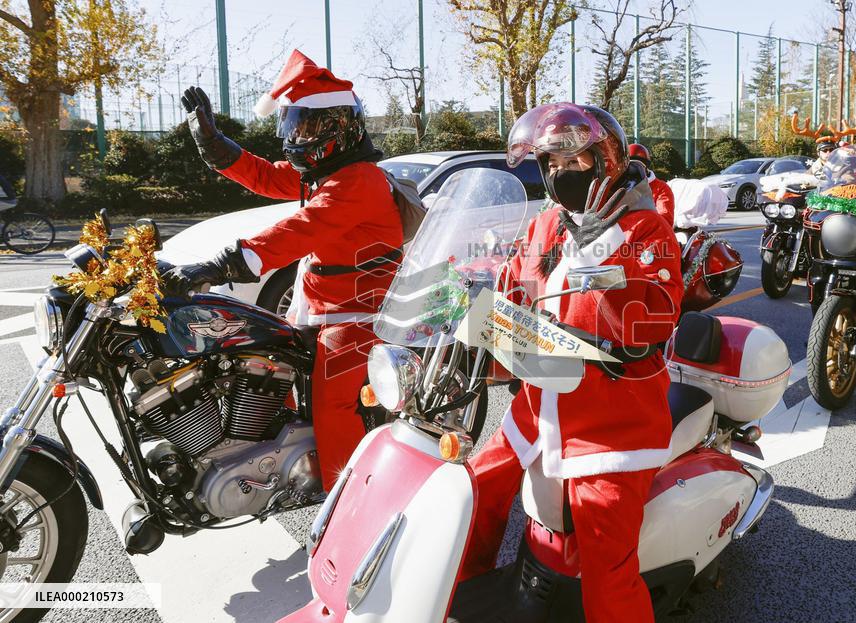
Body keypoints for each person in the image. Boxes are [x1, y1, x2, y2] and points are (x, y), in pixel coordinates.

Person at [459, 103, 683, 622]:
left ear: (603, 160)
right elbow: (515, 287)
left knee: (607, 564)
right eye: (550, 165)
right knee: (471, 490)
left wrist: (594, 268)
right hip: (538, 408)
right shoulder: (546, 225)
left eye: (571, 163)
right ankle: (463, 589)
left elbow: (655, 316)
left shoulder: (645, 229)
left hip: (611, 424)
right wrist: (467, 296)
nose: (559, 175)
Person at [161, 50, 404, 489]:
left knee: (331, 403)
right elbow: (269, 177)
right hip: (319, 303)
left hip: (360, 309)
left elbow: (298, 230)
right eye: (292, 125)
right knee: (266, 364)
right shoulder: (326, 171)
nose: (296, 136)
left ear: (338, 127)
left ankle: (345, 495)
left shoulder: (358, 179)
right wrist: (214, 146)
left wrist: (220, 265)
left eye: (306, 126)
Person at [628, 143, 676, 227]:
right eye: (630, 166)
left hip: (650, 236)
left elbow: (665, 220)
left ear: (646, 167)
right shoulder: (618, 185)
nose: (635, 169)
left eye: (639, 165)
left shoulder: (661, 188)